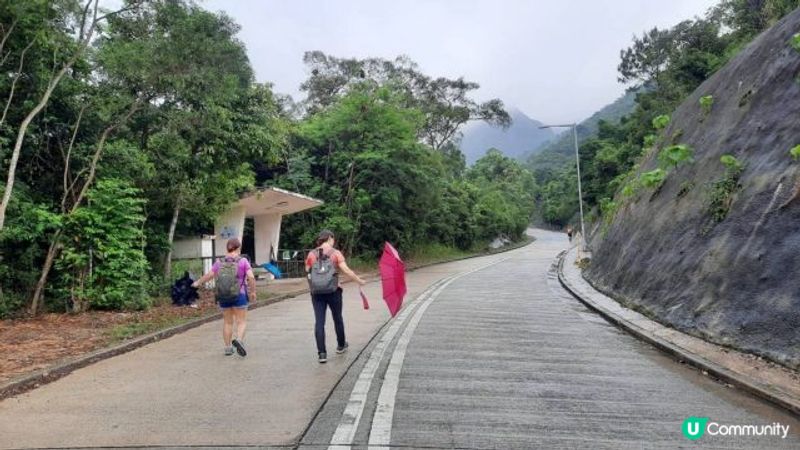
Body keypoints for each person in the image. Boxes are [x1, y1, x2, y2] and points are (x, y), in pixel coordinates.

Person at [306, 230, 366, 363]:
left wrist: (315, 286)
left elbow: (308, 272)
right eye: (333, 239)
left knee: (319, 321)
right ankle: (341, 345)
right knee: (337, 318)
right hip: (334, 291)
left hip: (316, 293)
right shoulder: (335, 253)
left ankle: (322, 353)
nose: (334, 241)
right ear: (330, 238)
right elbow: (346, 270)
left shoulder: (311, 254)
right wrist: (359, 281)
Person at [193, 238, 256, 357]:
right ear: (238, 248)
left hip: (223, 296)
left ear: (227, 248)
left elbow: (209, 275)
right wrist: (253, 292)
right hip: (240, 295)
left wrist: (197, 282)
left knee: (227, 322)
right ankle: (239, 340)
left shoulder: (219, 262)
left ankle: (227, 348)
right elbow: (251, 277)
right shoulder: (243, 261)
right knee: (241, 321)